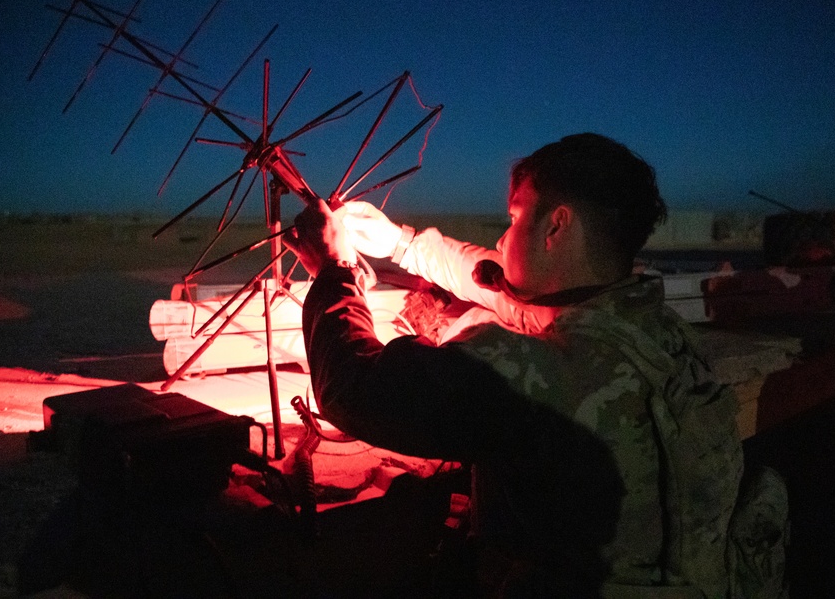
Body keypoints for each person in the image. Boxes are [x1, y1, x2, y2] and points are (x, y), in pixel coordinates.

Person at [284, 133, 746, 597]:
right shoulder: (658, 332)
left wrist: (334, 270)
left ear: (556, 227)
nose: (502, 240)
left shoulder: (539, 372)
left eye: (514, 217)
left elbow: (355, 387)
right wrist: (401, 244)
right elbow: (505, 289)